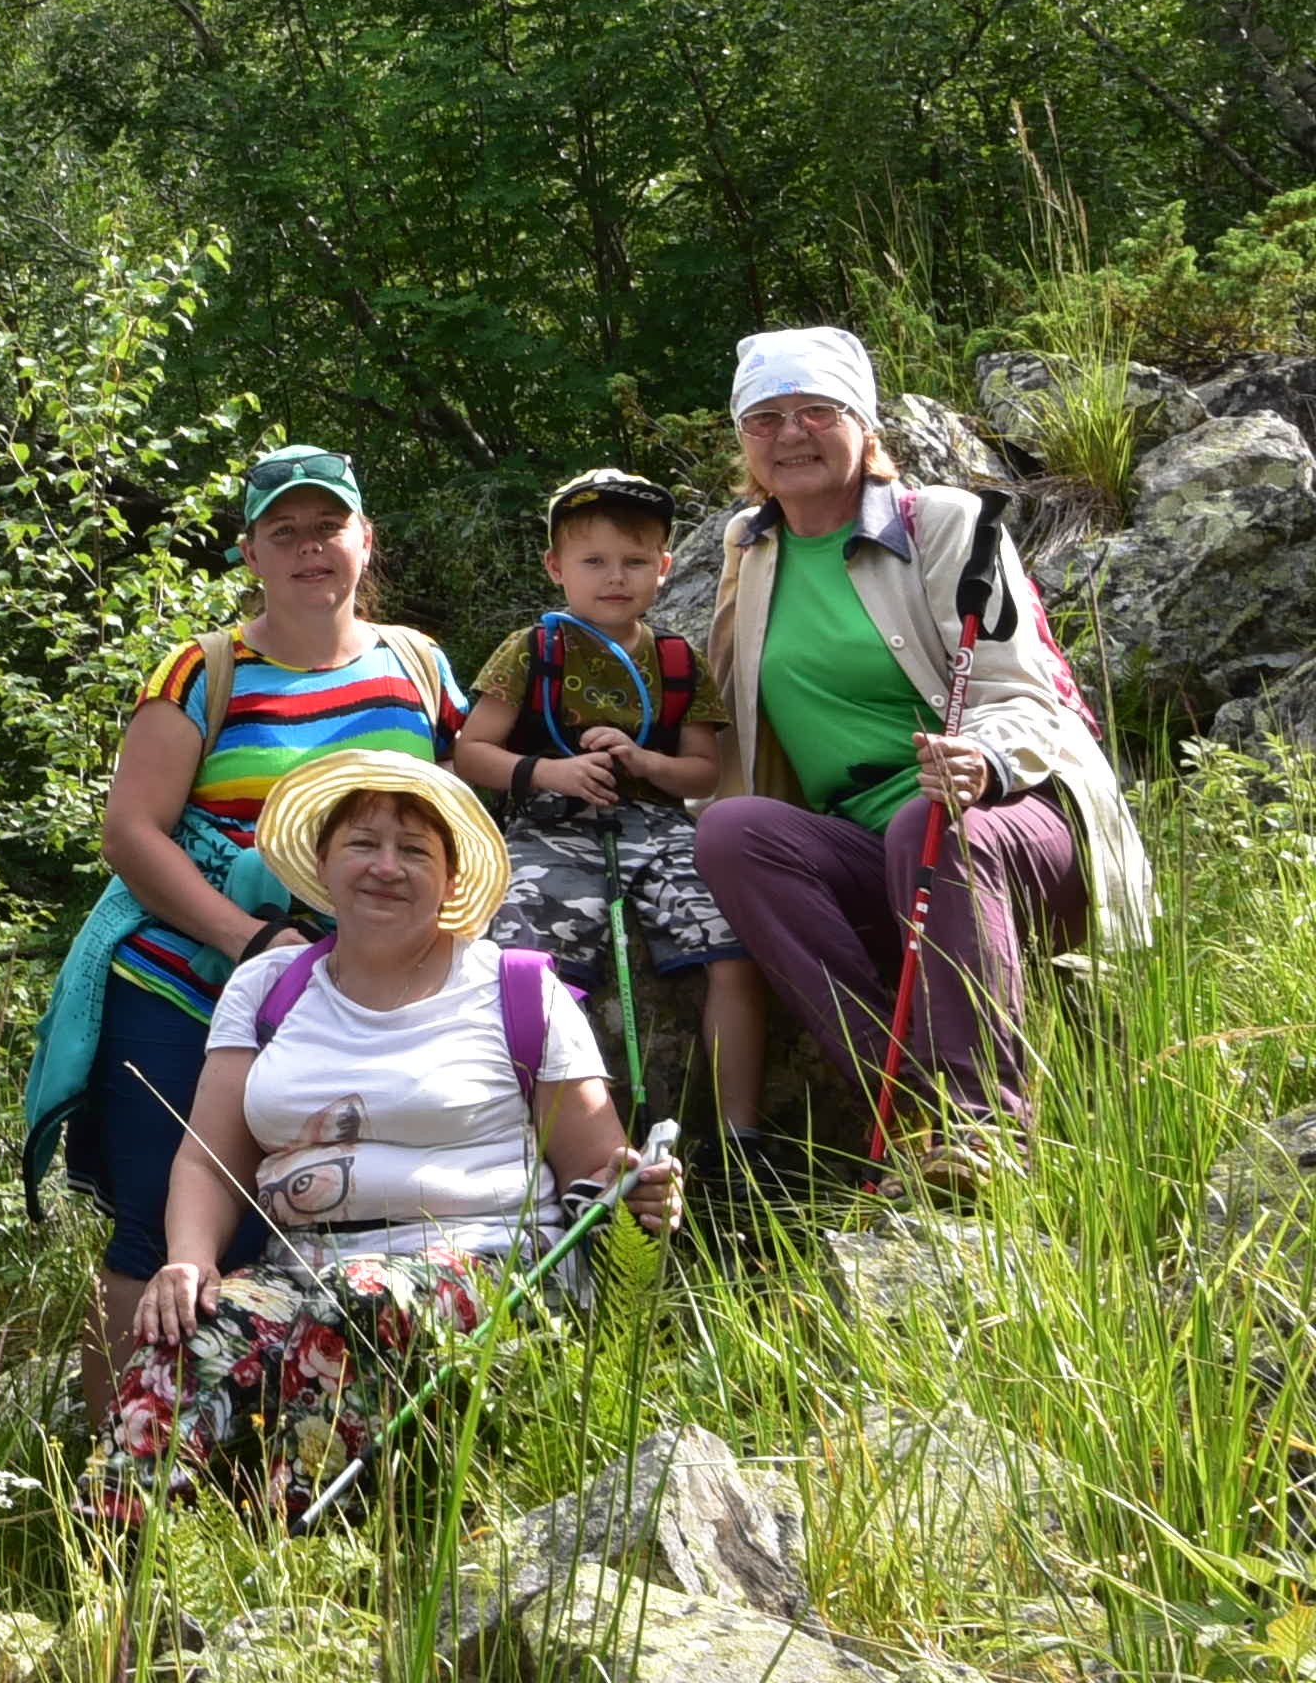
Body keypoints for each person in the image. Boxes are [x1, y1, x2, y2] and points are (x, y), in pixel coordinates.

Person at [96, 752, 683, 1513]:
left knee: (359, 1302)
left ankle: (298, 1557)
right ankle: (113, 1569)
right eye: (362, 844)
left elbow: (601, 1174)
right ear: (323, 862)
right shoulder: (269, 988)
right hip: (302, 1268)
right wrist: (187, 1263)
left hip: (491, 1266)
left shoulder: (517, 988)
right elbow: (210, 1159)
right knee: (188, 1333)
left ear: (450, 877)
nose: (385, 867)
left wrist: (643, 1194)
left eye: (414, 851)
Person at [19, 444, 465, 1425]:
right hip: (187, 981)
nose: (311, 548)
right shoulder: (203, 669)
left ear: (365, 539)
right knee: (158, 1230)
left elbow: (454, 821)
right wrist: (247, 938)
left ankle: (253, 1469)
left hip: (361, 997)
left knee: (321, 1220)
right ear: (251, 552)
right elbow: (131, 829)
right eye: (285, 531)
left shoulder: (419, 665)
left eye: (328, 526)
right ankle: (120, 1481)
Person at [687, 328, 1154, 1192]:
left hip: (1011, 823)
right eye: (765, 418)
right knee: (732, 831)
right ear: (744, 443)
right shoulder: (748, 552)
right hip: (866, 843)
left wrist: (984, 758)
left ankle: (985, 1131)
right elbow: (727, 718)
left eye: (818, 411)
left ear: (865, 425)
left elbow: (1027, 691)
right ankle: (904, 1106)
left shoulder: (946, 523)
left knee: (925, 826)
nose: (791, 434)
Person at [450, 468, 773, 1139]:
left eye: (633, 561)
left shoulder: (679, 661)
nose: (614, 577)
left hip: (659, 827)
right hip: (549, 828)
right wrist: (552, 773)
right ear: (555, 567)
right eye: (593, 561)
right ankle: (529, 1134)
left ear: (664, 568)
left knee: (733, 946)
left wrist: (643, 761)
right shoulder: (534, 649)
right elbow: (473, 752)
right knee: (523, 955)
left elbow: (702, 771)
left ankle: (738, 1137)